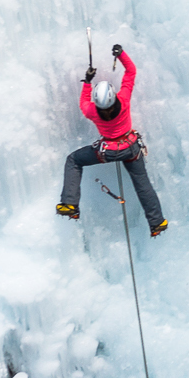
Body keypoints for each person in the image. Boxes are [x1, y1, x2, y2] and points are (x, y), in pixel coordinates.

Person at [58, 44, 168, 236]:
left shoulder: (93, 112)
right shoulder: (124, 100)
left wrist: (87, 81)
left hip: (107, 152)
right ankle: (157, 222)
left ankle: (70, 204)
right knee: (142, 184)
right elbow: (131, 72)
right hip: (131, 149)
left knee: (74, 160)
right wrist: (121, 54)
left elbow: (83, 103)